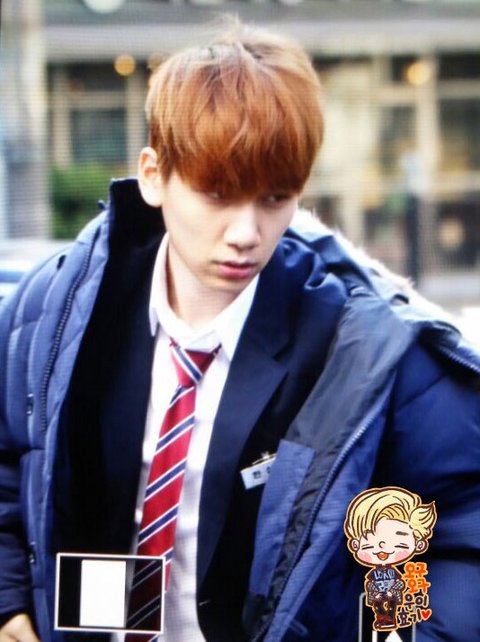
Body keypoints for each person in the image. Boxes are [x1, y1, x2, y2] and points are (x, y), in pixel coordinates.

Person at [0, 18, 479, 642]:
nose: (246, 233)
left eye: (275, 199)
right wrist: (9, 600)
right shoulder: (56, 312)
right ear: (154, 176)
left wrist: (400, 632)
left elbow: (454, 523)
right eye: (218, 194)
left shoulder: (357, 349)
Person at [344, 487, 437, 631]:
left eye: (397, 539)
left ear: (419, 544)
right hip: (375, 599)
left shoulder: (395, 573)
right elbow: (370, 584)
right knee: (378, 606)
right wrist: (374, 594)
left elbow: (399, 583)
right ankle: (382, 618)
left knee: (391, 605)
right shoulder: (371, 574)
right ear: (355, 544)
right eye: (370, 537)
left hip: (393, 596)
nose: (382, 545)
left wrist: (391, 592)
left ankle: (389, 618)